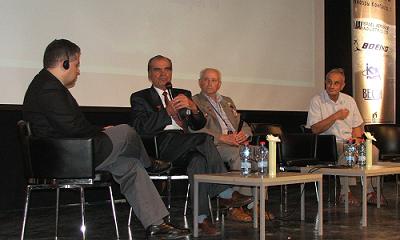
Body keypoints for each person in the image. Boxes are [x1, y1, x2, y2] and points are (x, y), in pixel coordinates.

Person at [22, 39, 190, 239]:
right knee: (126, 131)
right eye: (76, 65)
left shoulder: (47, 85)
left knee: (130, 165)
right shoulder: (48, 89)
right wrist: (101, 132)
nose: (78, 71)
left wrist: (101, 129)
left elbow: (70, 127)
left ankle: (156, 224)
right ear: (65, 63)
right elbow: (72, 129)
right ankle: (151, 163)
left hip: (70, 152)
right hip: (66, 157)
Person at [130, 55, 253, 235]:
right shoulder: (140, 97)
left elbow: (198, 125)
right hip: (161, 144)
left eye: (167, 69)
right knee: (203, 139)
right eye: (157, 69)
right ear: (150, 74)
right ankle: (225, 193)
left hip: (186, 143)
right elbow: (140, 128)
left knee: (198, 162)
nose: (163, 74)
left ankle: (201, 219)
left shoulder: (183, 94)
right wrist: (167, 112)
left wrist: (194, 109)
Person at [192, 68, 274, 222]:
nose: (210, 83)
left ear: (219, 84)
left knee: (265, 155)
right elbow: (196, 129)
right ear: (200, 82)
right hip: (216, 146)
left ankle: (256, 204)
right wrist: (222, 137)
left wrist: (245, 135)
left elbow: (242, 124)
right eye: (206, 79)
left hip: (236, 143)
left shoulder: (227, 101)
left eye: (214, 80)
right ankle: (235, 207)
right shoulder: (195, 102)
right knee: (241, 157)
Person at [306, 68, 383, 206]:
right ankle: (344, 192)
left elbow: (357, 127)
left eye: (336, 83)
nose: (331, 86)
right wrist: (335, 116)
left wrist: (358, 140)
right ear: (325, 82)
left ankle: (369, 191)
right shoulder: (317, 100)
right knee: (349, 151)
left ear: (342, 86)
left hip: (349, 141)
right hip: (328, 144)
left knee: (373, 150)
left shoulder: (349, 100)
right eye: (329, 82)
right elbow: (315, 129)